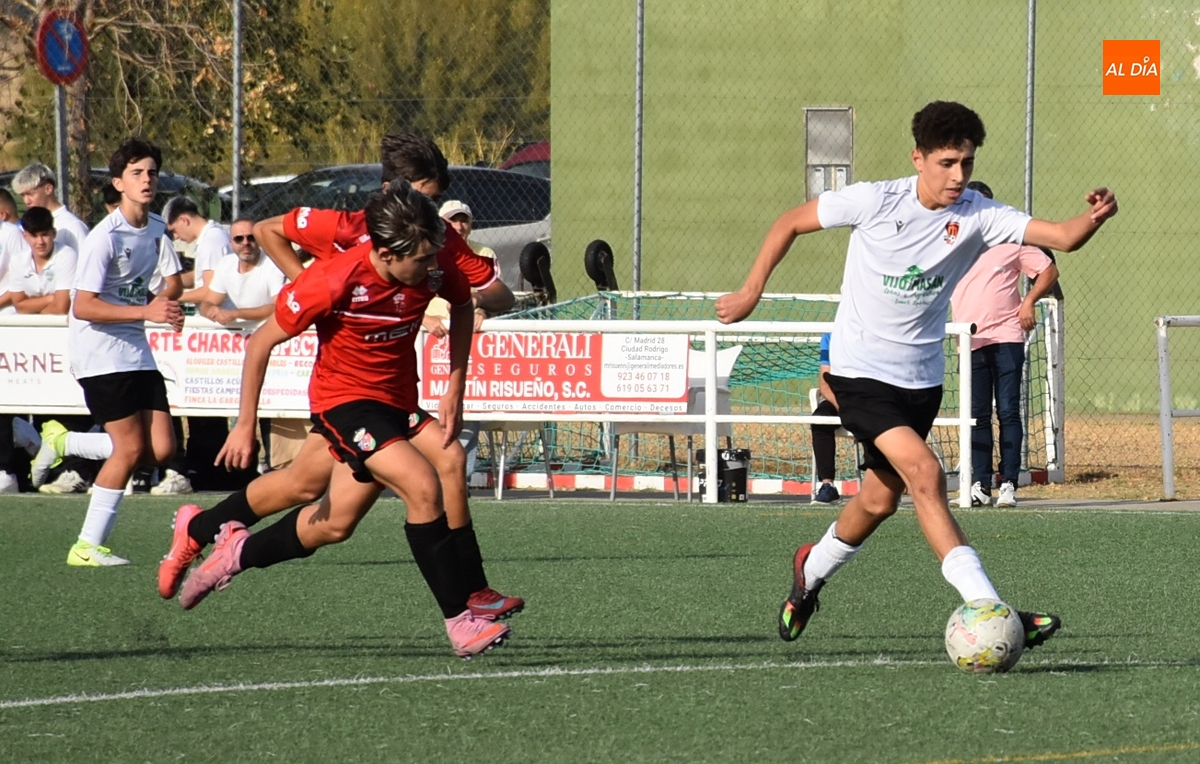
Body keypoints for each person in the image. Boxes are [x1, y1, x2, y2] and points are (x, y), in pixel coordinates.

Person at [715, 101, 1117, 650]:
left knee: (879, 502)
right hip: (859, 374)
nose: (958, 175)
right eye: (947, 162)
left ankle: (810, 571)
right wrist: (751, 290)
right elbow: (789, 222)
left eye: (967, 163)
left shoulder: (978, 214)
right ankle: (989, 606)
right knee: (926, 472)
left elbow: (1062, 237)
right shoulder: (875, 200)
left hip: (920, 382)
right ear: (918, 158)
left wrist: (1094, 217)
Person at [159, 132, 522, 621]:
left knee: (320, 506)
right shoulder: (347, 229)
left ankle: (206, 533)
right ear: (393, 190)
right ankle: (469, 598)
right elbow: (268, 230)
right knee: (438, 466)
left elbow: (493, 294)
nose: (433, 212)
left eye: (435, 200)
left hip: (390, 394)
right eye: (426, 196)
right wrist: (314, 293)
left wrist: (458, 361)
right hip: (347, 392)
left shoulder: (433, 238)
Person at [60, 137, 185, 566]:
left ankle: (67, 441)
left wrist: (164, 305)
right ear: (118, 183)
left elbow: (150, 287)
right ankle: (86, 546)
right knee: (129, 450)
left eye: (151, 172)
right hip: (98, 352)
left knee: (162, 450)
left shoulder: (156, 229)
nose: (146, 179)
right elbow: (84, 305)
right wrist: (148, 309)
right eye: (136, 173)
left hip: (135, 347)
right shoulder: (104, 237)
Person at [951, 180, 1060, 509]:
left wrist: (1028, 301)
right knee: (977, 415)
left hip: (1007, 337)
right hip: (970, 339)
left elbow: (1048, 270)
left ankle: (1009, 483)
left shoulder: (1010, 240)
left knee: (1009, 411)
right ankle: (980, 484)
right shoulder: (951, 242)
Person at [431, 199, 498, 478]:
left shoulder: (483, 253)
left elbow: (496, 294)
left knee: (466, 409)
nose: (458, 226)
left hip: (463, 343)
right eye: (452, 220)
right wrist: (424, 320)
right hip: (426, 340)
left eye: (463, 220)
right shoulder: (424, 250)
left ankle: (461, 478)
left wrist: (481, 308)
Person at [198, 217, 285, 327]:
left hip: (273, 327)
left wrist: (236, 314)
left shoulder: (273, 264)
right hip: (243, 330)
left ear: (259, 239)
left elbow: (279, 307)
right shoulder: (226, 263)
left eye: (251, 237)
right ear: (231, 243)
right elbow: (208, 302)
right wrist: (210, 310)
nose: (245, 243)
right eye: (239, 239)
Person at [164, 195, 232, 308]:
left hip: (218, 315)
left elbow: (210, 292)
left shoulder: (211, 242)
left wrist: (169, 297)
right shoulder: (212, 235)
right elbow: (201, 275)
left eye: (174, 230)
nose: (176, 237)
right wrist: (169, 281)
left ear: (184, 220)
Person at [10, 162, 91, 253]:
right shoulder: (24, 226)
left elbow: (86, 260)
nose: (26, 201)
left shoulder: (73, 226)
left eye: (30, 194)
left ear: (48, 189)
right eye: (23, 195)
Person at [809, 333, 841, 504]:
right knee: (820, 420)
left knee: (874, 422)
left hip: (870, 399)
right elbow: (825, 383)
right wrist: (843, 407)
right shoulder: (830, 335)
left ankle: (880, 486)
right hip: (839, 400)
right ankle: (827, 485)